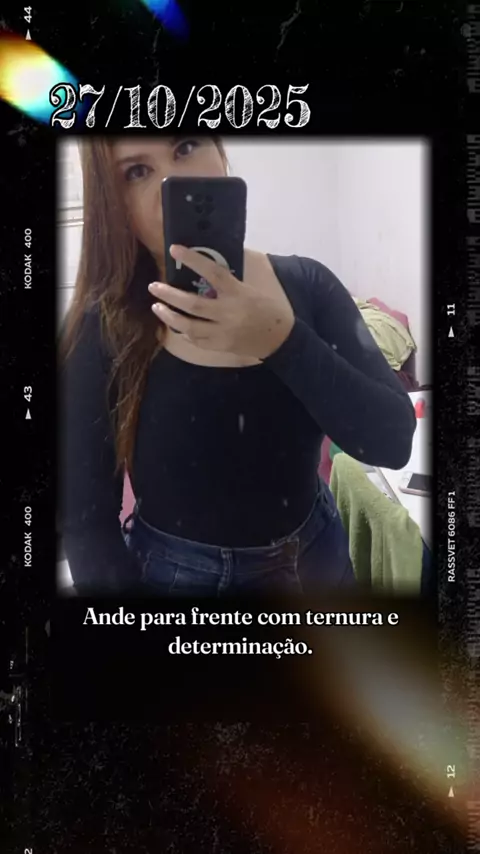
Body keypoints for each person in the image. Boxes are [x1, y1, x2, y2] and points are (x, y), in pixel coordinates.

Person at [59, 136, 416, 596]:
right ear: (114, 204)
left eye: (186, 146)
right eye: (136, 172)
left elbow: (393, 441)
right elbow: (87, 524)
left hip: (318, 559)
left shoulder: (309, 285)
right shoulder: (102, 326)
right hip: (179, 581)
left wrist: (282, 340)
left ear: (220, 149)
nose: (175, 182)